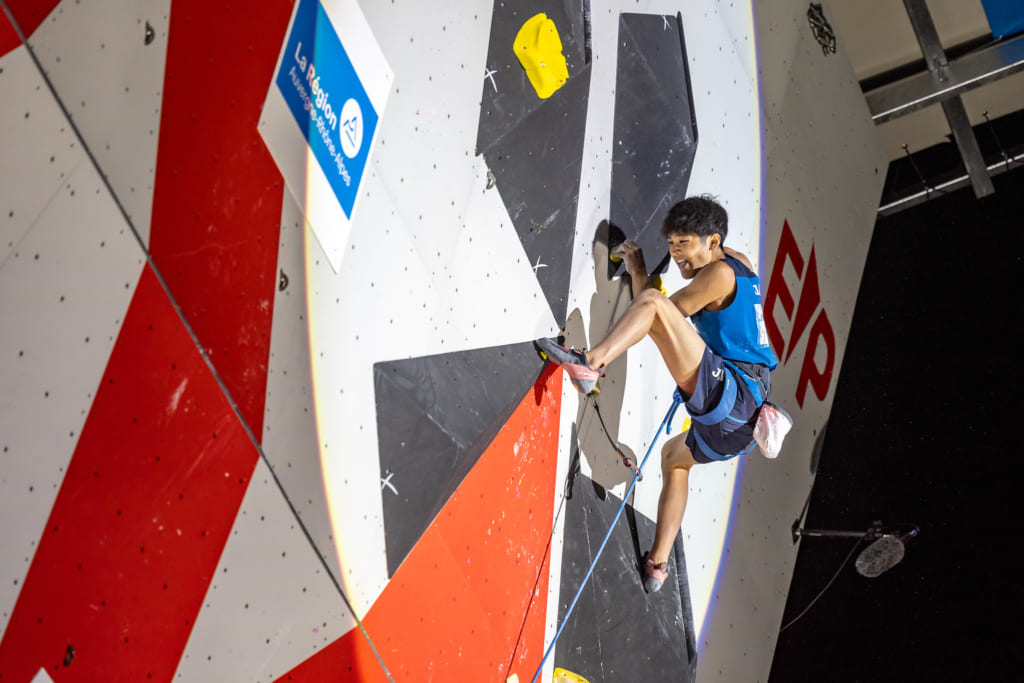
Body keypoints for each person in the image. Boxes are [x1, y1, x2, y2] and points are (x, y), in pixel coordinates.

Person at [536, 195, 778, 592]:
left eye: (685, 247)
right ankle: (658, 567)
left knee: (650, 300)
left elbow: (659, 312)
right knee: (674, 459)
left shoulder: (717, 275)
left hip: (735, 397)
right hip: (741, 426)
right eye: (673, 248)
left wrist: (638, 271)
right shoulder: (739, 262)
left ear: (713, 242)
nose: (679, 259)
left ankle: (589, 363)